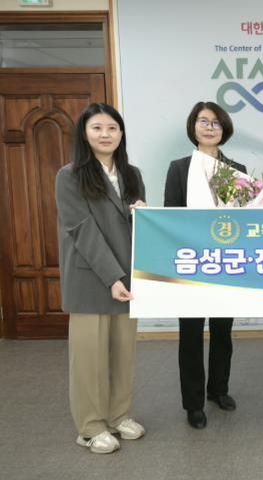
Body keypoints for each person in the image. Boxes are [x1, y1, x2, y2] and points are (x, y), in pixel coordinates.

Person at [56, 103, 146, 454]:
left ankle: (118, 415)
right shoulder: (70, 176)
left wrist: (142, 215)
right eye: (97, 128)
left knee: (123, 354)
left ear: (121, 133)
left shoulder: (132, 174)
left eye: (112, 128)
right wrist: (112, 277)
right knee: (89, 358)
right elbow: (83, 230)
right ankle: (91, 427)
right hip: (91, 278)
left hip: (129, 278)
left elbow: (138, 227)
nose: (105, 134)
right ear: (84, 133)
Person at [164, 101, 247, 429]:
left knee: (223, 332)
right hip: (191, 264)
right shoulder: (179, 168)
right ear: (193, 127)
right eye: (203, 121)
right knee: (191, 335)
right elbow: (170, 216)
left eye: (216, 122)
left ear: (224, 129)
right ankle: (193, 403)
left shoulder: (236, 168)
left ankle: (218, 390)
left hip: (225, 263)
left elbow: (244, 219)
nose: (210, 127)